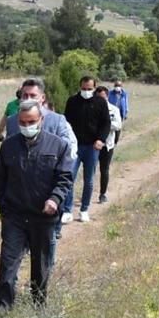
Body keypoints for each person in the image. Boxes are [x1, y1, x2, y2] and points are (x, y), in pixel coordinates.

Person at [0, 101, 74, 310]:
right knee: (8, 263)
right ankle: (2, 308)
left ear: (41, 120)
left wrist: (54, 200)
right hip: (15, 216)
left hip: (43, 217)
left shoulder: (58, 146)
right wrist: (3, 207)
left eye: (31, 121)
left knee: (40, 266)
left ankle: (39, 306)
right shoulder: (9, 146)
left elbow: (65, 179)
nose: (27, 125)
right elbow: (1, 180)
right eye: (22, 122)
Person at [3, 77, 77, 266]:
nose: (28, 98)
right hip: (19, 197)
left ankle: (46, 274)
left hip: (46, 194)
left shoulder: (58, 120)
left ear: (42, 97)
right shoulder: (13, 121)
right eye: (25, 95)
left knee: (45, 243)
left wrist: (55, 196)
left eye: (33, 95)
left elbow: (67, 151)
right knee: (14, 247)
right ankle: (10, 283)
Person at [63, 75, 111, 224]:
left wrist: (100, 140)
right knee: (69, 177)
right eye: (83, 88)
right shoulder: (72, 101)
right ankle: (67, 210)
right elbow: (66, 123)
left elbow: (106, 123)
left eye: (89, 89)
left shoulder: (100, 102)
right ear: (80, 87)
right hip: (75, 146)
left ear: (94, 88)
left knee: (89, 180)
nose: (86, 91)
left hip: (92, 147)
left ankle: (84, 209)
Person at [94, 85, 123, 204]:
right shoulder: (92, 109)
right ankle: (88, 192)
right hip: (93, 144)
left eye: (103, 98)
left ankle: (103, 193)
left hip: (107, 145)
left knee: (104, 170)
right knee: (90, 170)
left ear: (107, 97)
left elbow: (118, 125)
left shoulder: (114, 109)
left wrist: (105, 124)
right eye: (98, 98)